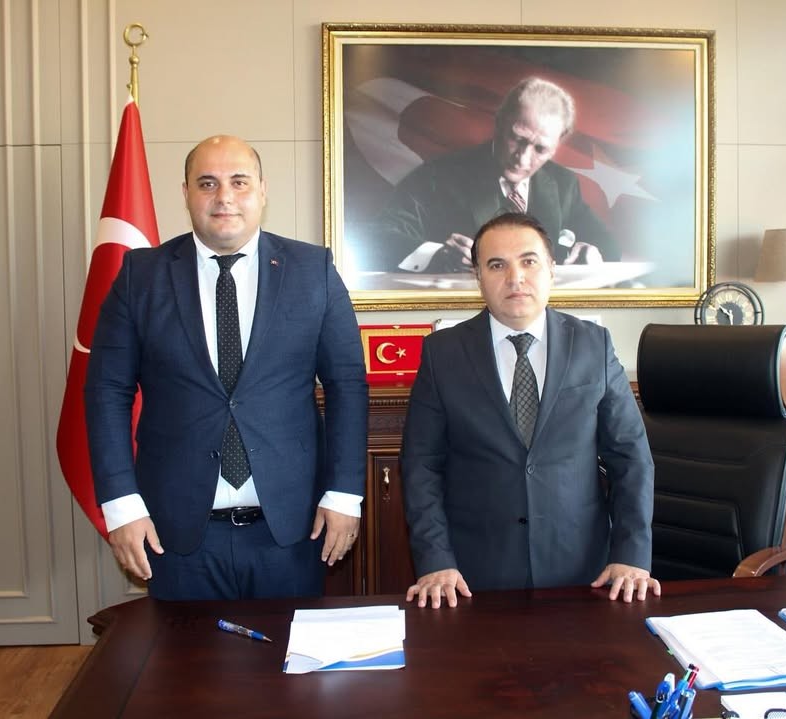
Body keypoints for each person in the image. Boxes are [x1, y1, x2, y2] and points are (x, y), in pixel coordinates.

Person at [85, 135, 369, 601]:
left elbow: (347, 387)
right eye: (207, 183)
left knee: (289, 650)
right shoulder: (141, 275)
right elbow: (106, 391)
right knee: (180, 652)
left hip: (292, 530)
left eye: (239, 182)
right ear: (186, 193)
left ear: (262, 190)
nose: (224, 197)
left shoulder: (312, 269)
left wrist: (343, 494)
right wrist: (121, 505)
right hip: (175, 533)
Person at [400, 212, 658, 608]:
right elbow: (421, 466)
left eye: (528, 261)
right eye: (496, 265)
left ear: (551, 269)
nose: (515, 277)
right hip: (471, 576)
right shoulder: (442, 353)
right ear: (478, 276)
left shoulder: (594, 345)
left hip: (584, 572)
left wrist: (631, 555)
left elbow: (631, 457)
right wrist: (435, 560)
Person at [365, 76, 618, 273]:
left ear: (557, 145)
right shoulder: (437, 176)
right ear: (499, 123)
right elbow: (378, 236)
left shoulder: (563, 183)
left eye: (540, 149)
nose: (523, 158)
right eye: (517, 139)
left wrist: (593, 252)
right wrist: (438, 254)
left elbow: (608, 245)